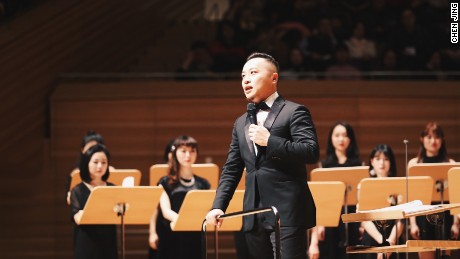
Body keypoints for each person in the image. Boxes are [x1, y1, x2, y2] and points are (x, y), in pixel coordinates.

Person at [206, 52, 319, 259]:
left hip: (286, 212)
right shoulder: (241, 123)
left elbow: (310, 151)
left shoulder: (294, 111)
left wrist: (270, 142)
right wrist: (218, 206)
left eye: (253, 72)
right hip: (253, 214)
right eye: (242, 76)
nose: (246, 79)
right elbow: (232, 169)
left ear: (274, 78)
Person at [308, 121, 363, 259]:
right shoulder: (324, 166)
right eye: (337, 135)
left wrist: (363, 223)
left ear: (350, 138)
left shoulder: (359, 165)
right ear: (331, 139)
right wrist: (319, 226)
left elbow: (363, 198)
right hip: (330, 218)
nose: (341, 139)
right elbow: (319, 201)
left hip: (353, 218)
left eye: (345, 135)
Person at [408, 122, 459, 259]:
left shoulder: (451, 164)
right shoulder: (414, 164)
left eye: (437, 137)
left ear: (442, 140)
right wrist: (412, 224)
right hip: (422, 215)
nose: (433, 141)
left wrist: (455, 223)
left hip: (446, 215)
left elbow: (455, 197)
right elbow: (411, 196)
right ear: (422, 139)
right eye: (429, 137)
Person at [155, 135, 211, 259]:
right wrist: (185, 222)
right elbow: (166, 211)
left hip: (195, 235)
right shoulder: (164, 182)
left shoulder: (204, 183)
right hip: (172, 235)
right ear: (175, 153)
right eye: (183, 151)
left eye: (192, 151)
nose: (188, 155)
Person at [69, 143, 117, 259]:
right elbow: (77, 218)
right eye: (95, 162)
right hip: (87, 244)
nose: (100, 166)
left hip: (108, 242)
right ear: (87, 164)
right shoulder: (78, 190)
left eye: (104, 162)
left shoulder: (113, 188)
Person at [361, 144, 404, 259]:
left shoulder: (398, 185)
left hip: (394, 238)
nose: (382, 163)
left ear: (391, 162)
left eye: (386, 159)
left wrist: (390, 242)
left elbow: (401, 220)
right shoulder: (365, 185)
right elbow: (364, 220)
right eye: (378, 159)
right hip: (372, 238)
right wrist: (384, 243)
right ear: (371, 161)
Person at [148, 139, 175, 259]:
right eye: (172, 151)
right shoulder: (162, 179)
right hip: (164, 225)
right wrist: (152, 232)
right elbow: (154, 207)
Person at [66, 130, 108, 205]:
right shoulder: (75, 174)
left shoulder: (108, 170)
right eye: (90, 149)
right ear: (82, 150)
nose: (99, 166)